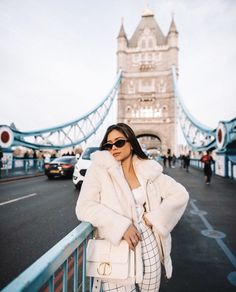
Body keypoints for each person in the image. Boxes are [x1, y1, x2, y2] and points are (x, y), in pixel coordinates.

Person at [75, 123, 189, 292]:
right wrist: (120, 225)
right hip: (116, 247)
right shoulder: (99, 170)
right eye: (109, 145)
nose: (113, 147)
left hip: (149, 246)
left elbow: (180, 194)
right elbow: (84, 207)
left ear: (131, 143)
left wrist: (156, 218)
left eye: (119, 142)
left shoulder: (147, 169)